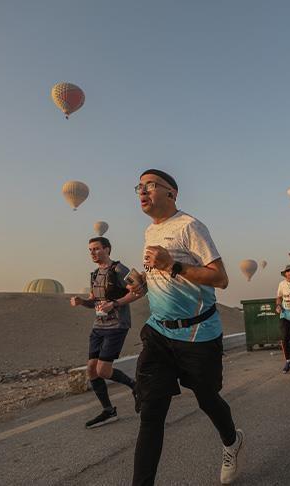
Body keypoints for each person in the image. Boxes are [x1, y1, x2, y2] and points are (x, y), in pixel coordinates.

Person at [128, 169, 244, 486]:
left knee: (207, 399)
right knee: (151, 414)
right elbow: (163, 275)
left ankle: (232, 441)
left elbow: (220, 278)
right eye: (139, 186)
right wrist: (145, 280)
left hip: (197, 333)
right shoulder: (149, 232)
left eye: (150, 185)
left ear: (172, 193)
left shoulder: (190, 226)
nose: (142, 191)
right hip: (159, 334)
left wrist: (172, 265)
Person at [70, 237, 143, 429]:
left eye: (96, 249)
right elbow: (94, 301)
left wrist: (115, 303)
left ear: (107, 249)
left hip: (117, 325)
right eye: (90, 250)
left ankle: (135, 386)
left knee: (103, 370)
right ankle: (108, 411)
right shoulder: (94, 274)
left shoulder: (120, 270)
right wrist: (81, 302)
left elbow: (139, 291)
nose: (92, 253)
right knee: (91, 370)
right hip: (98, 326)